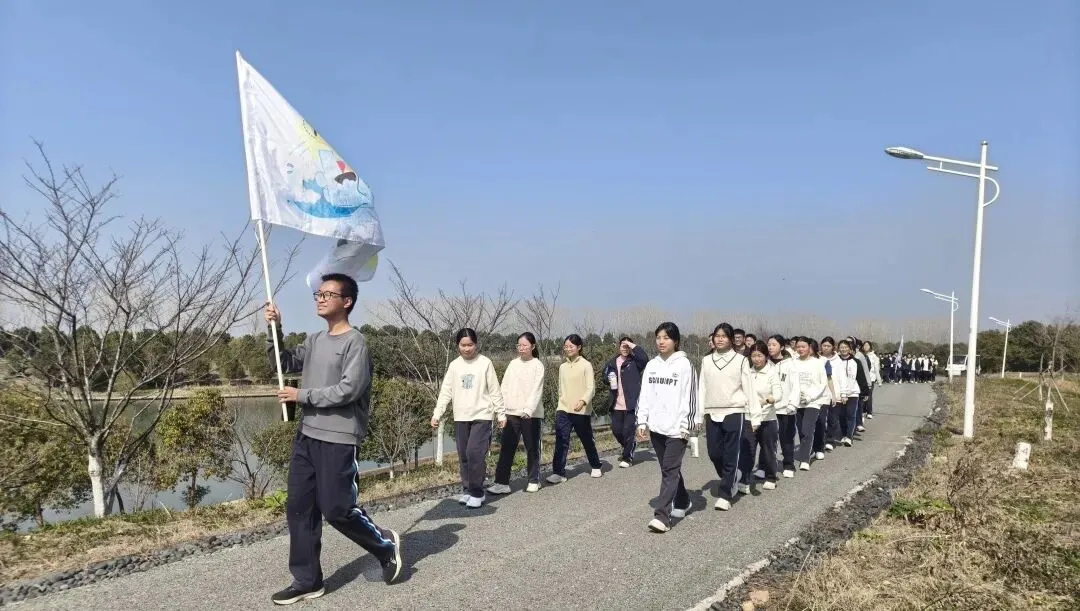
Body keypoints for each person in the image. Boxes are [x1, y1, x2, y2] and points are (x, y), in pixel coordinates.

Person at [264, 273, 403, 606]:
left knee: (338, 509)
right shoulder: (314, 340)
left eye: (328, 294)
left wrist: (302, 395)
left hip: (339, 438)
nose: (320, 299)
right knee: (299, 508)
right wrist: (274, 329)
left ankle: (385, 546)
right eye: (318, 294)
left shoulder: (356, 342)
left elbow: (348, 390)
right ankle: (307, 580)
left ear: (347, 301)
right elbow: (283, 363)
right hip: (306, 435)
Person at [431, 328, 506, 509]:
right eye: (463, 345)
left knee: (475, 453)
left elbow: (495, 390)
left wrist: (501, 413)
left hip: (482, 415)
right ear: (457, 345)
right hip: (461, 416)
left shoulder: (485, 363)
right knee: (464, 455)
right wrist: (437, 413)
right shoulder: (454, 365)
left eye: (470, 345)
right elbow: (446, 391)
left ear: (476, 344)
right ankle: (467, 489)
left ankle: (477, 493)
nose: (466, 349)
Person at [635, 322, 697, 533]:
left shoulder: (685, 365)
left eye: (666, 338)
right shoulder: (652, 365)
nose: (661, 342)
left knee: (669, 471)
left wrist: (686, 425)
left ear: (676, 341)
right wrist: (642, 421)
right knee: (668, 469)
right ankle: (683, 500)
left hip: (677, 428)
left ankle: (662, 516)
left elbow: (691, 397)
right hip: (656, 427)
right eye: (658, 337)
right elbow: (644, 395)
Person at [697, 322, 761, 511]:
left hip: (734, 410)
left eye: (724, 336)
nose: (720, 339)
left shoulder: (741, 360)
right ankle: (733, 475)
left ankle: (725, 494)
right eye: (717, 336)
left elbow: (749, 388)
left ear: (731, 339)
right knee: (714, 453)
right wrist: (699, 414)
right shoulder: (706, 360)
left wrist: (755, 416)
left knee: (731, 452)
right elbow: (702, 387)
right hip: (712, 411)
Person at [488, 332, 545, 495]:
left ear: (533, 346)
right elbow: (504, 387)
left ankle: (533, 480)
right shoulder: (513, 364)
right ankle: (501, 483)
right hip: (511, 412)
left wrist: (528, 409)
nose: (521, 348)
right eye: (519, 345)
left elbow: (537, 390)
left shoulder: (537, 365)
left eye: (524, 345)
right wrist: (500, 410)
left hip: (531, 414)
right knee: (507, 447)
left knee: (532, 447)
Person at [547, 334, 602, 483]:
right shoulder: (562, 367)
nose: (568, 349)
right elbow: (561, 388)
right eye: (566, 346)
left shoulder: (586, 365)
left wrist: (583, 401)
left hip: (581, 410)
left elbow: (591, 388)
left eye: (571, 346)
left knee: (586, 439)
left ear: (579, 347)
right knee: (561, 439)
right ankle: (559, 473)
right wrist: (561, 403)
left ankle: (595, 465)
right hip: (563, 409)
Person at [602, 336, 649, 468]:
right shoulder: (612, 362)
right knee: (616, 430)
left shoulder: (635, 362)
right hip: (616, 403)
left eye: (627, 346)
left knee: (628, 431)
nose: (625, 348)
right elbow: (603, 377)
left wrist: (630, 344)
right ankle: (629, 445)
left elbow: (644, 358)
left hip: (631, 404)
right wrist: (608, 378)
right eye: (623, 345)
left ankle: (627, 457)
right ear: (618, 346)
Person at [745, 341, 782, 490]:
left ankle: (771, 477)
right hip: (750, 417)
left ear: (766, 356)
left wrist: (766, 400)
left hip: (767, 417)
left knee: (768, 450)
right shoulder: (747, 372)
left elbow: (778, 393)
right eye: (753, 356)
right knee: (748, 450)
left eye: (760, 355)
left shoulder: (771, 372)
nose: (756, 359)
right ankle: (744, 479)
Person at [791, 336, 829, 471]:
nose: (800, 349)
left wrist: (810, 396)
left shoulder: (817, 363)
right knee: (801, 430)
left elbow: (822, 383)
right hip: (797, 402)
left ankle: (805, 459)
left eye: (803, 347)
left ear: (809, 348)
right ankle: (809, 450)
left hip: (813, 401)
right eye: (798, 347)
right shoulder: (792, 363)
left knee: (807, 430)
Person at [767, 334, 801, 478]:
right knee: (767, 440)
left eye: (773, 345)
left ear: (781, 347)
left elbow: (796, 386)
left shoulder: (790, 364)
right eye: (769, 345)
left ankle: (788, 464)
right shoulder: (765, 363)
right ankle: (765, 466)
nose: (770, 347)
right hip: (768, 408)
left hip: (786, 408)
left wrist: (793, 404)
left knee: (786, 437)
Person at [836, 339, 870, 446]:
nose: (844, 349)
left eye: (846, 347)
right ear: (838, 349)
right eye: (841, 347)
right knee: (841, 415)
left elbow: (861, 378)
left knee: (851, 415)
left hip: (853, 392)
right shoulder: (836, 361)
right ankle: (843, 434)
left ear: (850, 349)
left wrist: (865, 392)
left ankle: (849, 437)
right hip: (840, 392)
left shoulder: (856, 362)